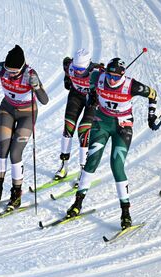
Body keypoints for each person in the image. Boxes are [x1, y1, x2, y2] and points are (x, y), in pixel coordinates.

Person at [66, 57, 160, 229]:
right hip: (102, 123)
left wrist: (151, 116)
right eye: (110, 76)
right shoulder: (98, 77)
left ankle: (125, 213)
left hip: (122, 127)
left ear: (123, 76)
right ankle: (77, 204)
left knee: (117, 166)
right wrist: (92, 95)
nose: (112, 80)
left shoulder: (131, 85)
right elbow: (89, 75)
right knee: (91, 161)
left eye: (116, 78)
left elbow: (153, 94)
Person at [0, 44, 49, 210]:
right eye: (9, 71)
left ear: (22, 67)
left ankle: (16, 193)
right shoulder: (2, 68)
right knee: (2, 150)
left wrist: (36, 86)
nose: (11, 74)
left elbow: (44, 100)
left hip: (26, 114)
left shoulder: (30, 74)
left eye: (15, 72)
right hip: (7, 110)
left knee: (15, 153)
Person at [55, 48, 104, 180]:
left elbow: (110, 84)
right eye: (76, 68)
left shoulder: (97, 72)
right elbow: (65, 62)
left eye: (81, 70)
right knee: (68, 127)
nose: (77, 72)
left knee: (84, 130)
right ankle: (64, 165)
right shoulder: (69, 66)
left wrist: (96, 95)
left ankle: (83, 169)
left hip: (91, 101)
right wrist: (67, 79)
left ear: (88, 65)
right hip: (76, 96)